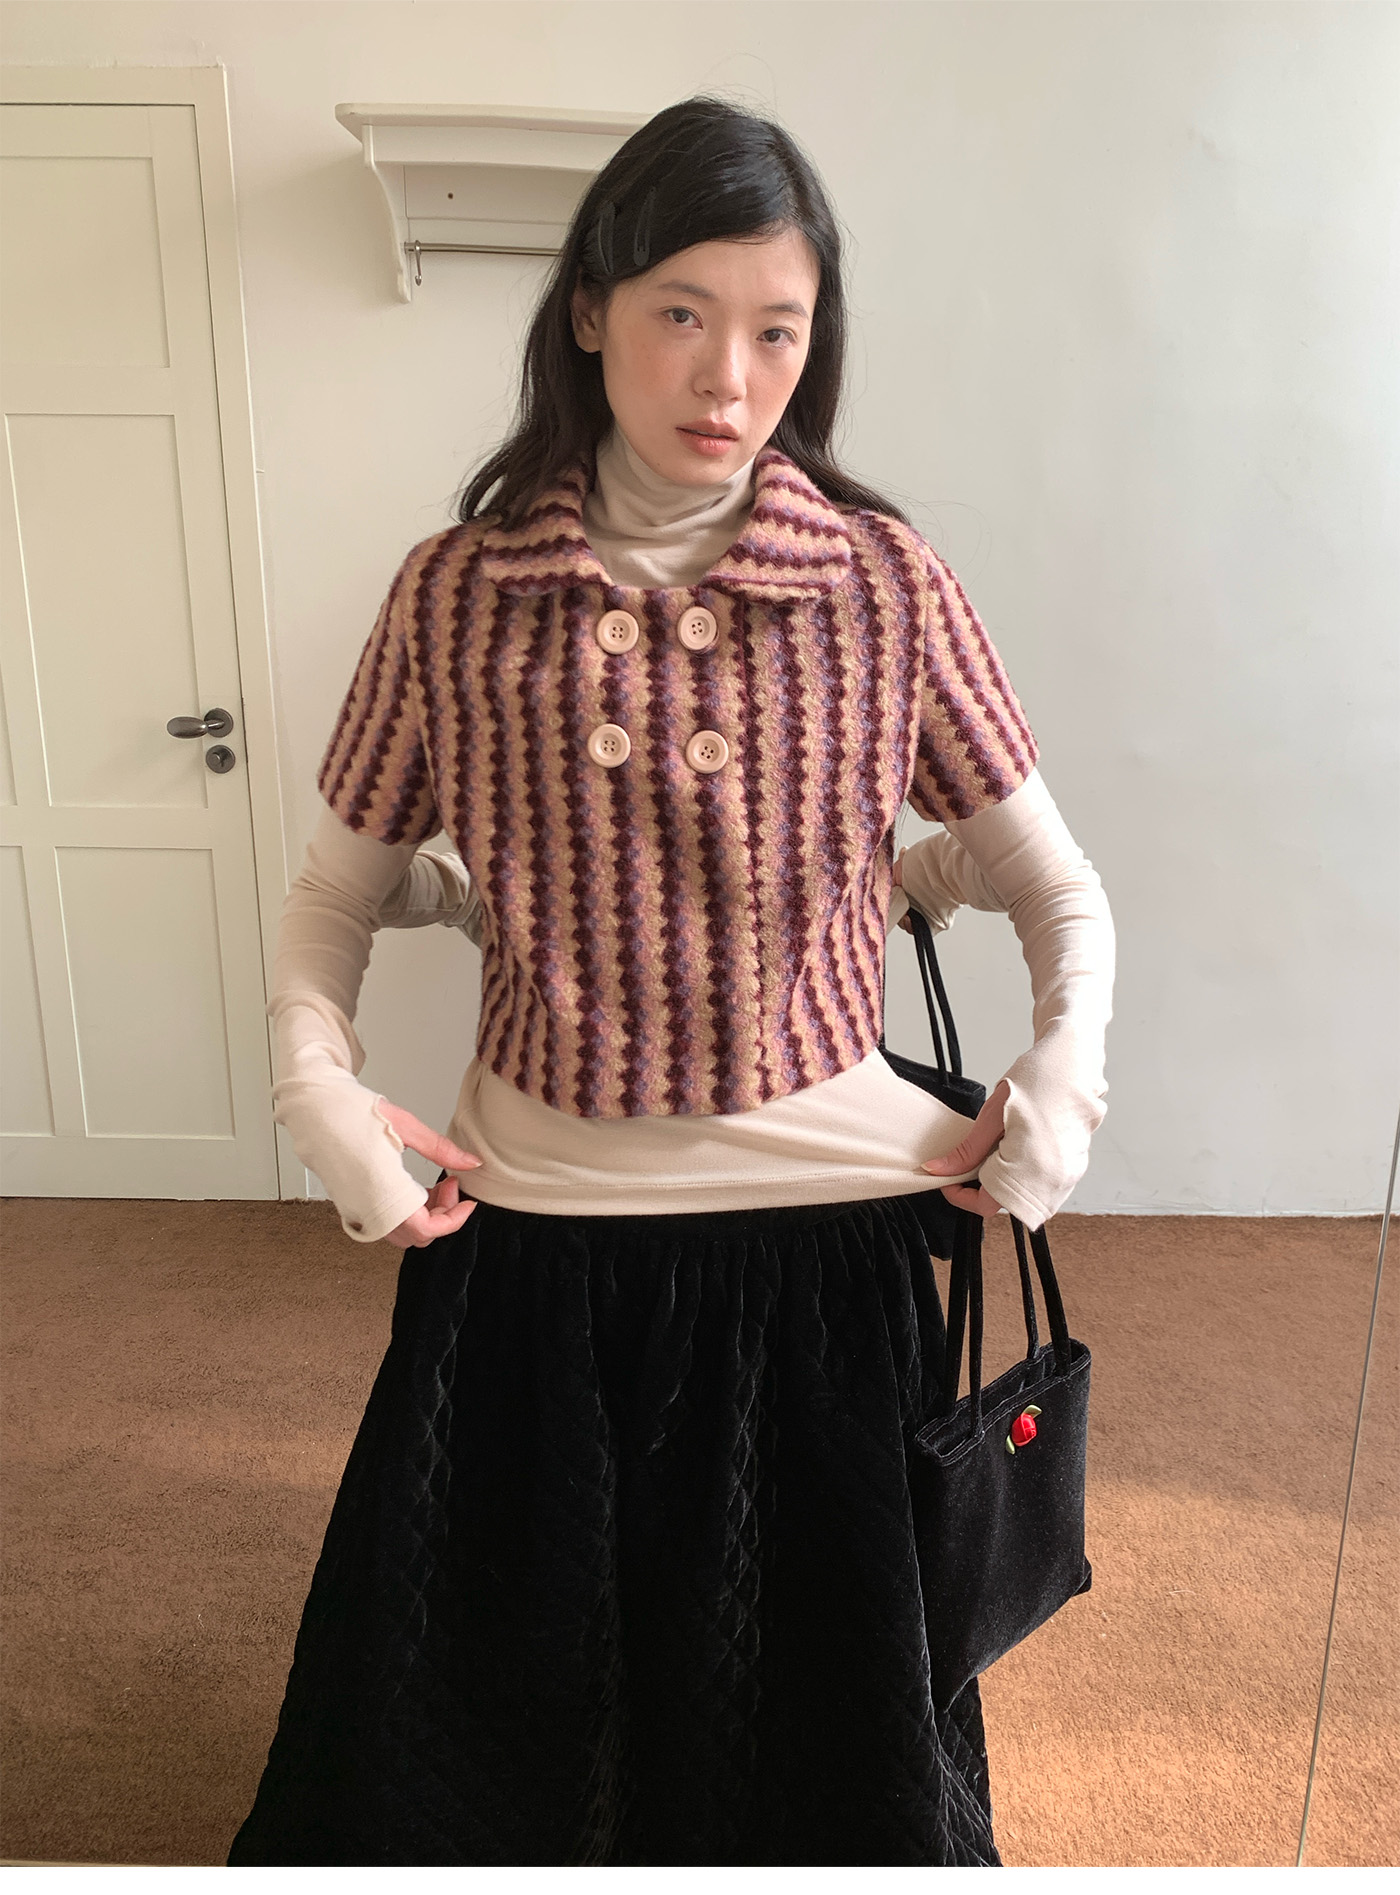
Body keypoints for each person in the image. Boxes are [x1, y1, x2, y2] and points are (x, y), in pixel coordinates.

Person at [227, 95, 1115, 1867]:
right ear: (590, 310)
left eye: (777, 329)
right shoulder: (455, 598)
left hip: (828, 1240)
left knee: (822, 1745)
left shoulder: (883, 587)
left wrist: (1065, 1071)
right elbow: (332, 895)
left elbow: (1054, 887)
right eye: (682, 315)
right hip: (531, 1241)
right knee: (476, 1731)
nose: (728, 376)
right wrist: (315, 1089)